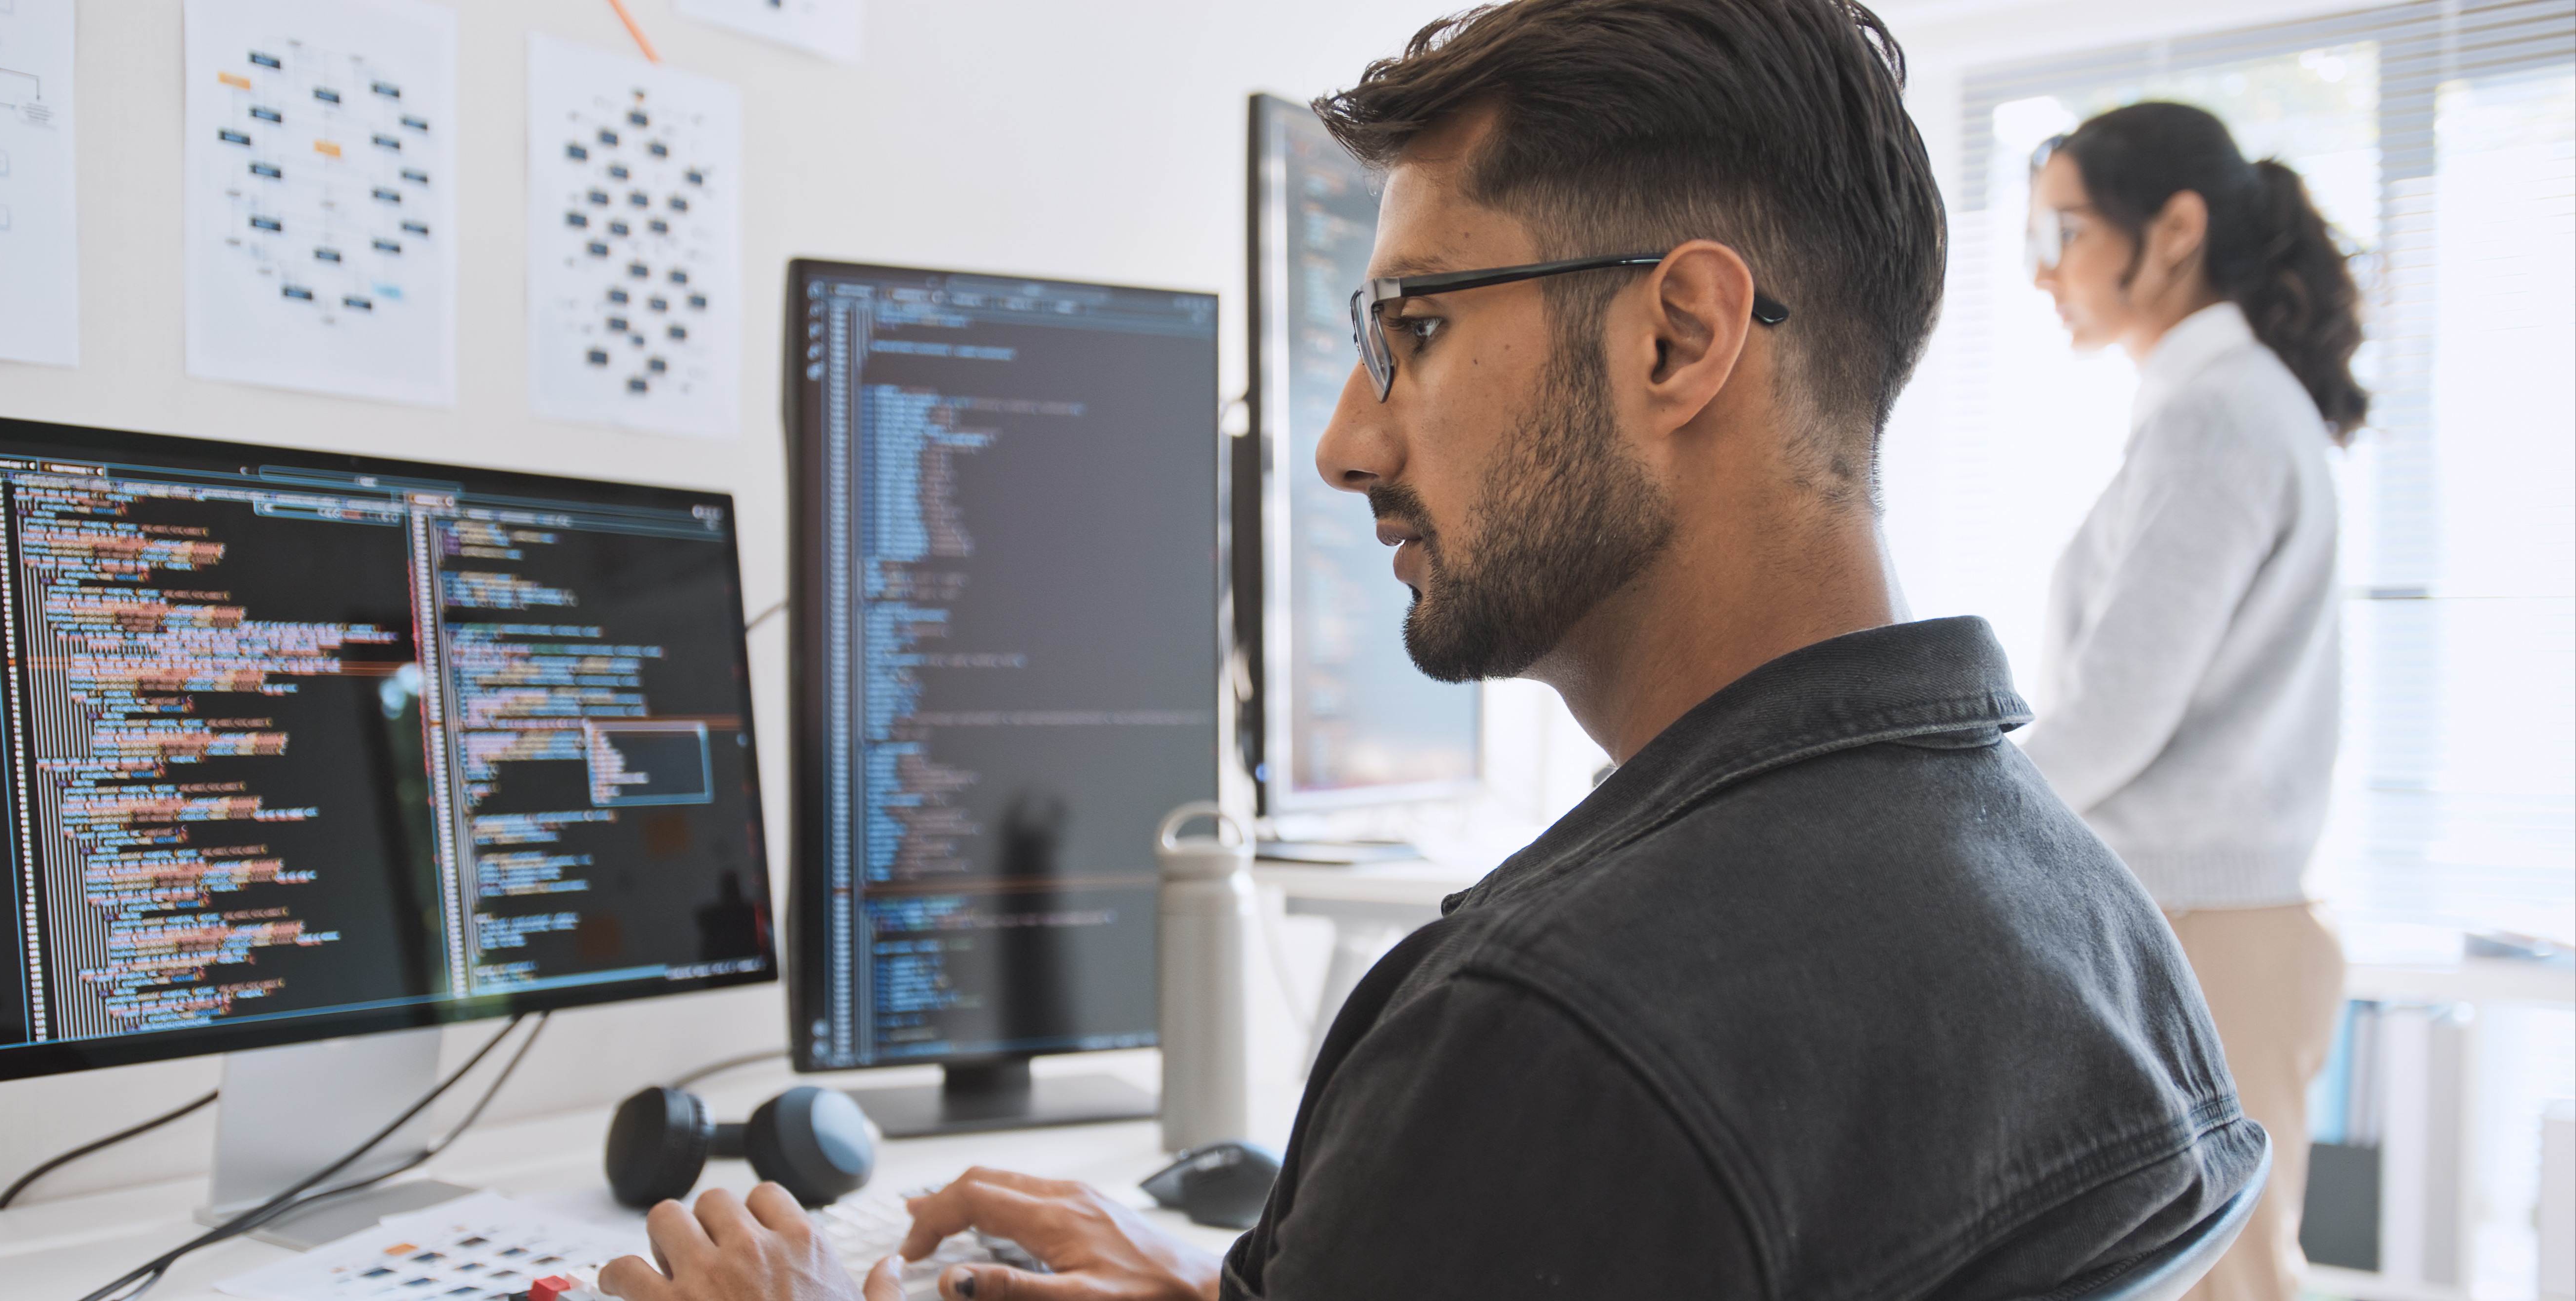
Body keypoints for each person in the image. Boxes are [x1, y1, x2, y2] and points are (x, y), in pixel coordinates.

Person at [600, 2, 2263, 1298]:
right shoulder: (2089, 928)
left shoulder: (1553, 1030)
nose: (1341, 441)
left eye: (1415, 329)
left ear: (1677, 337)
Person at [2021, 102, 2366, 1301]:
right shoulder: (2218, 408)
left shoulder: (2218, 415)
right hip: (2204, 924)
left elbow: (2117, 713)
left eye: (2061, 230)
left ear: (2172, 231)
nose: (2041, 271)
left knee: (2226, 1282)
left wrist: (1953, 802)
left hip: (2210, 932)